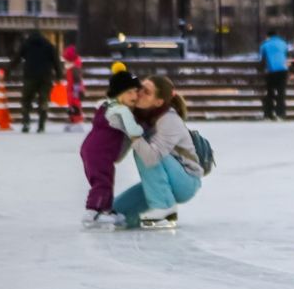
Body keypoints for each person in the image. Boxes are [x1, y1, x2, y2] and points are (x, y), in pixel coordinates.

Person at [112, 75, 203, 229]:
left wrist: (131, 130)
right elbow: (117, 156)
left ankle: (164, 210)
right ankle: (144, 216)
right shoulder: (137, 118)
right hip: (161, 183)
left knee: (145, 150)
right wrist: (117, 124)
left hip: (186, 181)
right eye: (140, 88)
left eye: (146, 92)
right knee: (115, 213)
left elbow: (151, 158)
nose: (139, 93)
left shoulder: (169, 119)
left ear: (158, 102)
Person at [80, 69, 143, 228]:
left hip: (95, 149)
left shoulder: (108, 106)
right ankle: (92, 212)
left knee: (106, 180)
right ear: (118, 93)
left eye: (136, 91)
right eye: (129, 92)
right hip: (99, 151)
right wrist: (144, 127)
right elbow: (133, 130)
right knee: (102, 182)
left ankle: (106, 210)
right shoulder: (120, 110)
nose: (134, 96)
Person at [11, 30, 63, 133]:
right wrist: (59, 76)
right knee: (43, 100)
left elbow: (16, 58)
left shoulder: (26, 44)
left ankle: (26, 122)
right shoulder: (49, 45)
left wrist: (8, 70)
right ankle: (41, 124)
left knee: (26, 100)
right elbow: (56, 61)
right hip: (45, 77)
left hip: (30, 76)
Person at [258, 29, 291, 121]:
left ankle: (269, 114)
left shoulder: (265, 45)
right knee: (281, 93)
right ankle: (281, 114)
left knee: (270, 93)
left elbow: (260, 58)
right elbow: (286, 55)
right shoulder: (283, 43)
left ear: (268, 36)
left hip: (271, 71)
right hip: (283, 70)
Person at [61, 44, 86, 132]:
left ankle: (77, 121)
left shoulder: (74, 67)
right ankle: (72, 120)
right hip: (71, 90)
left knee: (75, 106)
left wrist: (76, 92)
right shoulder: (71, 66)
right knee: (72, 106)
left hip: (74, 90)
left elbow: (77, 81)